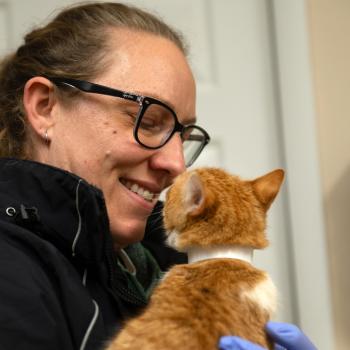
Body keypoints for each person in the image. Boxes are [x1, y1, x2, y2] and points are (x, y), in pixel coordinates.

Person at [0, 2, 316, 349]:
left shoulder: (159, 267)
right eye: (148, 122)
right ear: (45, 106)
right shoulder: (11, 273)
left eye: (184, 135)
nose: (177, 165)